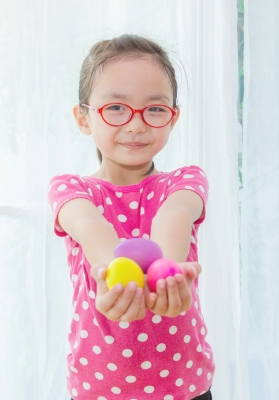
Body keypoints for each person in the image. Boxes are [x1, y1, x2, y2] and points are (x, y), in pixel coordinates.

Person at [47, 34, 214, 400]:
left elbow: (175, 216)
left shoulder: (184, 181)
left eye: (154, 109)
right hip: (100, 389)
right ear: (84, 117)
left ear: (173, 118)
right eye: (116, 108)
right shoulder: (71, 189)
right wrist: (115, 277)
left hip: (184, 386)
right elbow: (90, 227)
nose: (136, 125)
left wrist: (164, 274)